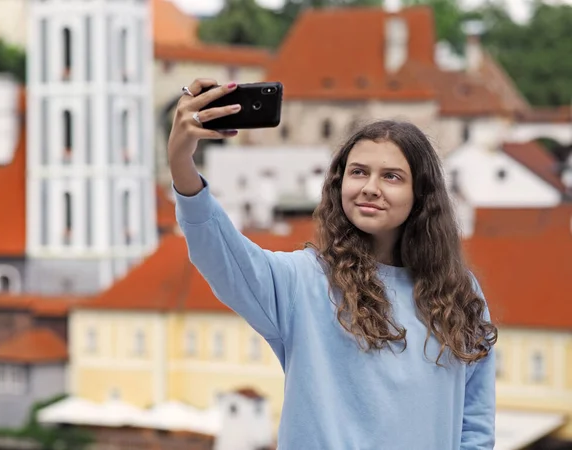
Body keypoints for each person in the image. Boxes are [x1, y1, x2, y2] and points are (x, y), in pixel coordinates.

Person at [168, 78, 498, 450]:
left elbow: (475, 429)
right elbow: (219, 252)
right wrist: (182, 162)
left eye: (391, 176)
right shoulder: (305, 282)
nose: (370, 187)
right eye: (358, 172)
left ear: (421, 195)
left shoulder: (460, 294)